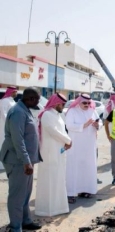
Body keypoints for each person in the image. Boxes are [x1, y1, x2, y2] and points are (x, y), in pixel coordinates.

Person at [0, 87, 42, 232]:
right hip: (17, 161)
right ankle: (15, 226)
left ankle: (25, 221)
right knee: (17, 195)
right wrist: (26, 161)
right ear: (30, 99)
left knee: (25, 193)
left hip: (25, 161)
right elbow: (18, 140)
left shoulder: (24, 109)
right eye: (37, 98)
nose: (38, 101)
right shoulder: (17, 112)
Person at [35, 93, 72, 217]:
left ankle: (58, 207)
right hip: (49, 153)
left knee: (58, 179)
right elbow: (53, 131)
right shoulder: (47, 115)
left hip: (58, 151)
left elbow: (62, 131)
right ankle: (47, 210)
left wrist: (67, 141)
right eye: (62, 104)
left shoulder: (57, 115)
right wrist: (68, 140)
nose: (63, 106)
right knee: (49, 180)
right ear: (56, 103)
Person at [65, 94, 102, 204]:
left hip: (89, 145)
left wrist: (97, 125)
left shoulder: (92, 111)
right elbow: (69, 125)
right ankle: (70, 193)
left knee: (87, 166)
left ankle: (86, 190)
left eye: (88, 103)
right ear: (79, 102)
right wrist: (84, 125)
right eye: (84, 103)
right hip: (76, 145)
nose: (87, 105)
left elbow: (99, 123)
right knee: (74, 168)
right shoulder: (72, 111)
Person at [0, 86, 17, 170]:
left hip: (11, 126)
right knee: (3, 142)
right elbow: (4, 114)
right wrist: (10, 123)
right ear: (11, 92)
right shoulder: (4, 101)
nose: (16, 93)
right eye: (15, 92)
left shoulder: (12, 101)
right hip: (5, 126)